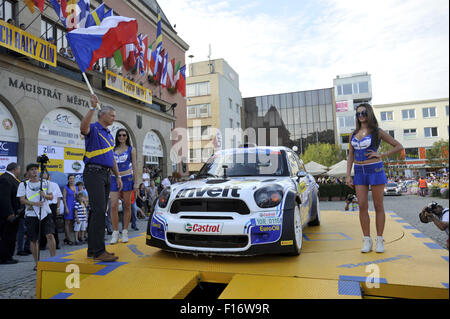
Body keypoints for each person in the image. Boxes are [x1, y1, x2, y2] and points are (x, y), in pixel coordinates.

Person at [346, 103, 403, 253]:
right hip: (359, 171)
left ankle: (379, 239)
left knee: (378, 205)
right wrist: (347, 175)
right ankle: (367, 240)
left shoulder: (377, 131)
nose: (361, 116)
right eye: (358, 114)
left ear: (369, 113)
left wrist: (381, 155)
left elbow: (398, 146)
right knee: (362, 205)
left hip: (375, 169)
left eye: (363, 112)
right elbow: (350, 155)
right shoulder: (353, 134)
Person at [80, 94, 122, 262]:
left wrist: (117, 175)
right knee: (98, 211)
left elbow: (111, 158)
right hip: (93, 173)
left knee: (97, 212)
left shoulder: (109, 135)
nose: (113, 118)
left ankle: (92, 250)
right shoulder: (94, 128)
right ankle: (99, 251)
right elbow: (83, 128)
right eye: (111, 115)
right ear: (102, 115)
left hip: (105, 174)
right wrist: (91, 107)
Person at [17, 164, 56, 270]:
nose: (34, 171)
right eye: (31, 170)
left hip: (45, 213)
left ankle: (54, 260)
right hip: (31, 214)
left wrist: (45, 196)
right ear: (28, 172)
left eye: (36, 169)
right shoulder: (23, 184)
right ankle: (37, 263)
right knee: (33, 240)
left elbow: (51, 196)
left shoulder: (46, 183)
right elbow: (22, 200)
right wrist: (35, 204)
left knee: (50, 235)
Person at [109, 128, 138, 244]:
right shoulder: (112, 150)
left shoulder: (131, 149)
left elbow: (135, 166)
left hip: (127, 179)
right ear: (117, 137)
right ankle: (115, 232)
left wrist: (136, 182)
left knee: (127, 205)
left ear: (127, 137)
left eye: (124, 135)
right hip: (114, 178)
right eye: (119, 135)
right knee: (114, 205)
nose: (122, 137)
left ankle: (125, 231)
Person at [0, 163, 22, 264]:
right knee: (7, 236)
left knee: (11, 236)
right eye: (19, 169)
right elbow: (4, 198)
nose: (19, 171)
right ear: (15, 169)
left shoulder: (11, 179)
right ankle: (5, 257)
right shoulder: (5, 179)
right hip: (8, 215)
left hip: (15, 213)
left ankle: (8, 256)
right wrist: (9, 213)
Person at [40, 173, 62, 250]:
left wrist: (58, 208)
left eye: (46, 177)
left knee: (53, 225)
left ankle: (56, 244)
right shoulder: (40, 185)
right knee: (43, 225)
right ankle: (42, 244)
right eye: (43, 177)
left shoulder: (55, 185)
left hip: (52, 206)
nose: (45, 178)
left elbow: (59, 196)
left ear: (49, 177)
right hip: (43, 206)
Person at [62, 174, 77, 245]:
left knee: (71, 223)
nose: (72, 180)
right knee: (67, 223)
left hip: (74, 207)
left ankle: (67, 237)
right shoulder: (65, 188)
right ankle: (69, 239)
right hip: (68, 206)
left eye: (73, 179)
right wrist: (66, 208)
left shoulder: (76, 187)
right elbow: (64, 199)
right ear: (68, 180)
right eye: (70, 179)